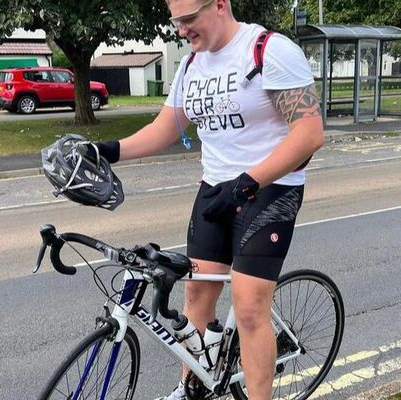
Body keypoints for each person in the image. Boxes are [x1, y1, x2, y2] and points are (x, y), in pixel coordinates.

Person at [94, 0, 323, 398]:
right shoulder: (190, 65)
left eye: (188, 19)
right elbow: (166, 128)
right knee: (195, 295)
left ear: (220, 4)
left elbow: (308, 135)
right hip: (215, 190)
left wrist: (250, 181)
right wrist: (107, 150)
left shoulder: (269, 50)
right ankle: (192, 387)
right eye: (175, 21)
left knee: (250, 307)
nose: (181, 30)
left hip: (270, 189)